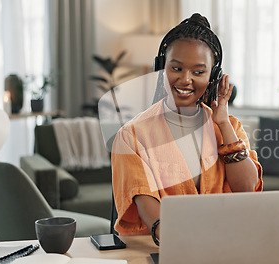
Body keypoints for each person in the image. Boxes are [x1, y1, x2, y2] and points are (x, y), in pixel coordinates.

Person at [111, 13, 263, 245]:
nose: (185, 79)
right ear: (162, 69)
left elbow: (246, 188)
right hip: (166, 246)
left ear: (213, 76)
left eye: (198, 72)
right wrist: (175, 238)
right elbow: (144, 198)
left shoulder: (230, 127)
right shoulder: (132, 134)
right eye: (176, 68)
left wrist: (222, 123)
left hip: (224, 243)